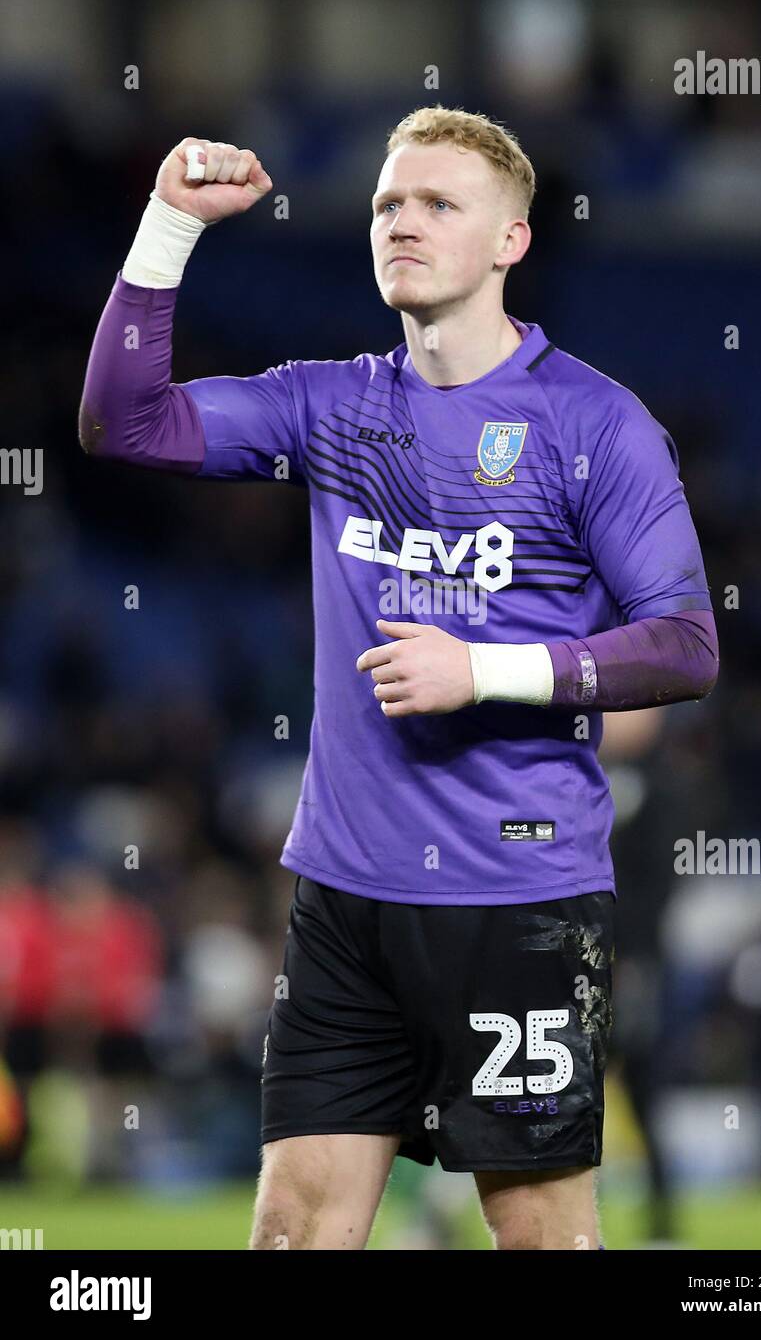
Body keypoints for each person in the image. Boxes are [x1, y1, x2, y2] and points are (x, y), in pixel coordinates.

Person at [79, 105, 719, 1250]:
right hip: (344, 899)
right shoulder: (332, 405)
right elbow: (123, 422)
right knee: (291, 1235)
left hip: (516, 902)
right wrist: (168, 226)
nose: (402, 224)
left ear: (509, 242)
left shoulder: (594, 425)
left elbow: (682, 643)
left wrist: (486, 669)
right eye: (385, 204)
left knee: (540, 1242)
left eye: (437, 204)